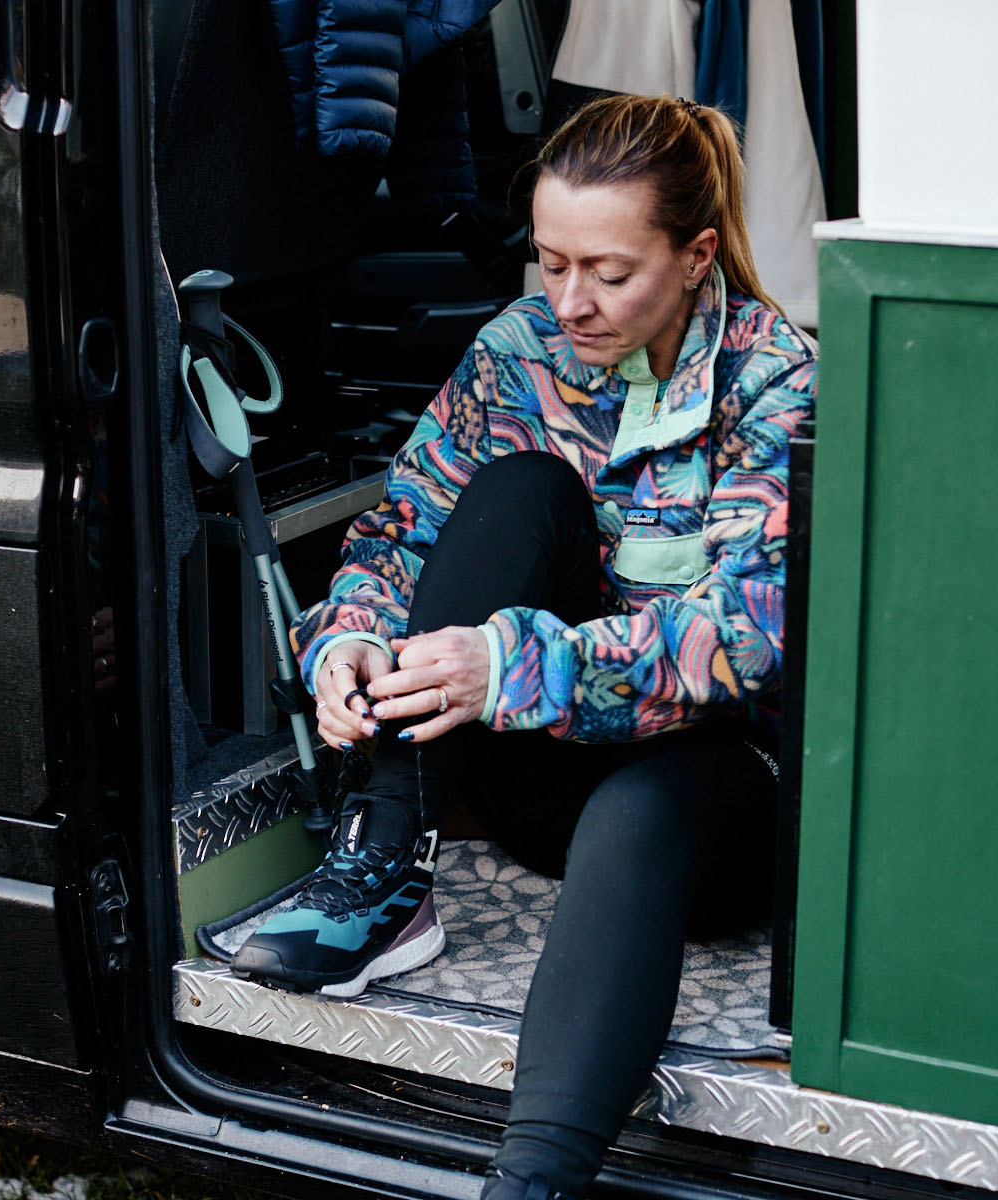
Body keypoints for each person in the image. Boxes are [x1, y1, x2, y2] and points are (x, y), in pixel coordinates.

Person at [232, 93, 816, 1200]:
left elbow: (748, 639)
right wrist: (349, 640)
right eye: (551, 262)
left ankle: (532, 1184)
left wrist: (514, 665)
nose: (571, 302)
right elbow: (402, 530)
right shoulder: (519, 349)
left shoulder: (773, 380)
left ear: (696, 256)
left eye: (608, 270)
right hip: (536, 768)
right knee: (516, 489)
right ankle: (387, 861)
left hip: (712, 800)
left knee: (639, 809)